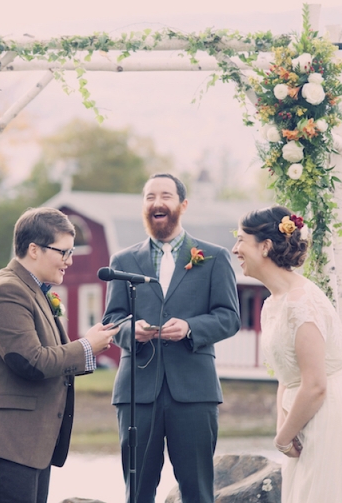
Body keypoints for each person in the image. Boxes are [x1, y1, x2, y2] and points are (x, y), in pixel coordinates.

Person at [0, 207, 119, 503]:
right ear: (34, 249)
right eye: (63, 252)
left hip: (25, 446)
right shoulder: (7, 291)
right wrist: (86, 346)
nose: (69, 261)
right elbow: (30, 361)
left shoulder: (33, 291)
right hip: (2, 444)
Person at [102, 173, 241, 503]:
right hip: (137, 393)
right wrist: (129, 330)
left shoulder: (214, 257)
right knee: (137, 493)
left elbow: (230, 317)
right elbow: (111, 321)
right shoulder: (122, 261)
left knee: (197, 493)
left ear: (183, 204)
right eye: (149, 197)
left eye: (165, 196)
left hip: (194, 393)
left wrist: (191, 328)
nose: (157, 203)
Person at [232, 205, 342, 503]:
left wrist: (283, 437)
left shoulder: (302, 302)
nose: (235, 249)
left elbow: (314, 385)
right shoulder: (273, 303)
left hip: (333, 416)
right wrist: (283, 425)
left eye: (241, 240)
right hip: (303, 419)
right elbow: (286, 376)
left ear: (264, 247)